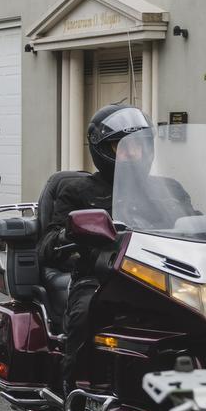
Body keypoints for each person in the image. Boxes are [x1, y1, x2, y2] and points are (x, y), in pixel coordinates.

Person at [39, 104, 153, 390]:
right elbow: (48, 244)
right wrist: (71, 235)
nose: (133, 154)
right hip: (99, 278)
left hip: (156, 280)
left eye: (139, 147)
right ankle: (73, 391)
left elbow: (191, 225)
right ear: (102, 150)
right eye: (123, 148)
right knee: (85, 313)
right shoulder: (78, 191)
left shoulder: (168, 190)